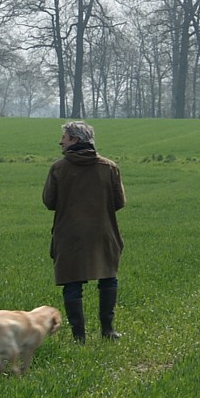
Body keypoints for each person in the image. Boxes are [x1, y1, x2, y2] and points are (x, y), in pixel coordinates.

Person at [42, 121, 126, 343]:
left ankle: (79, 337)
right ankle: (108, 331)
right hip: (104, 232)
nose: (60, 141)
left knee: (72, 283)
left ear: (75, 140)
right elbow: (120, 202)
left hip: (69, 234)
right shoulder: (110, 167)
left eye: (65, 137)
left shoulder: (58, 168)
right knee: (108, 278)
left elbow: (49, 202)